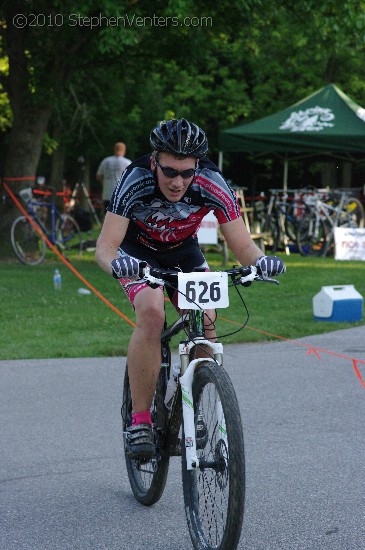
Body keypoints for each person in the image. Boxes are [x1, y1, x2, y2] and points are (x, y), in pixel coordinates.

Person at [95, 118, 286, 460]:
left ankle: (192, 405)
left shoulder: (212, 182)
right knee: (152, 314)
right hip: (136, 254)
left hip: (184, 252)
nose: (178, 181)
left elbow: (243, 244)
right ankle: (140, 419)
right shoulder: (134, 178)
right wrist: (117, 265)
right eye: (169, 172)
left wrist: (261, 261)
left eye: (187, 172)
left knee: (206, 322)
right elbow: (105, 247)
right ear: (155, 161)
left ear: (198, 166)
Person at [96, 142, 132, 213]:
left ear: (114, 149)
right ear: (124, 151)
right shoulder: (127, 162)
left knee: (107, 218)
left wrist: (105, 183)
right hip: (122, 196)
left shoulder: (106, 161)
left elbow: (98, 176)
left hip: (107, 195)